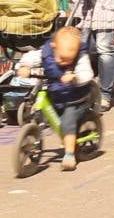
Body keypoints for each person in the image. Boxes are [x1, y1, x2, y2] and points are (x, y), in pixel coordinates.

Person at [16, 26, 94, 171]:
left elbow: (87, 73)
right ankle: (38, 129)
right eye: (62, 58)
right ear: (54, 47)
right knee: (49, 112)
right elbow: (31, 57)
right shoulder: (46, 51)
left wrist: (75, 77)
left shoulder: (81, 57)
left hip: (75, 98)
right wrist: (24, 66)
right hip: (56, 94)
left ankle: (70, 155)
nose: (65, 63)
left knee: (67, 124)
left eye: (69, 60)